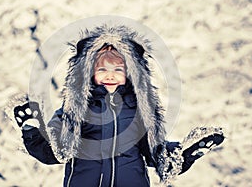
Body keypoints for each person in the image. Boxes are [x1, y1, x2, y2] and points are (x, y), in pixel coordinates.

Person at [13, 25, 224, 187]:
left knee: (167, 158)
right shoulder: (75, 111)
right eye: (102, 69)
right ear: (89, 72)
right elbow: (55, 151)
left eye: (117, 69)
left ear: (130, 73)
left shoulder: (139, 112)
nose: (110, 75)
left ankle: (187, 152)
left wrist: (182, 153)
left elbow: (154, 154)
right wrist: (33, 130)